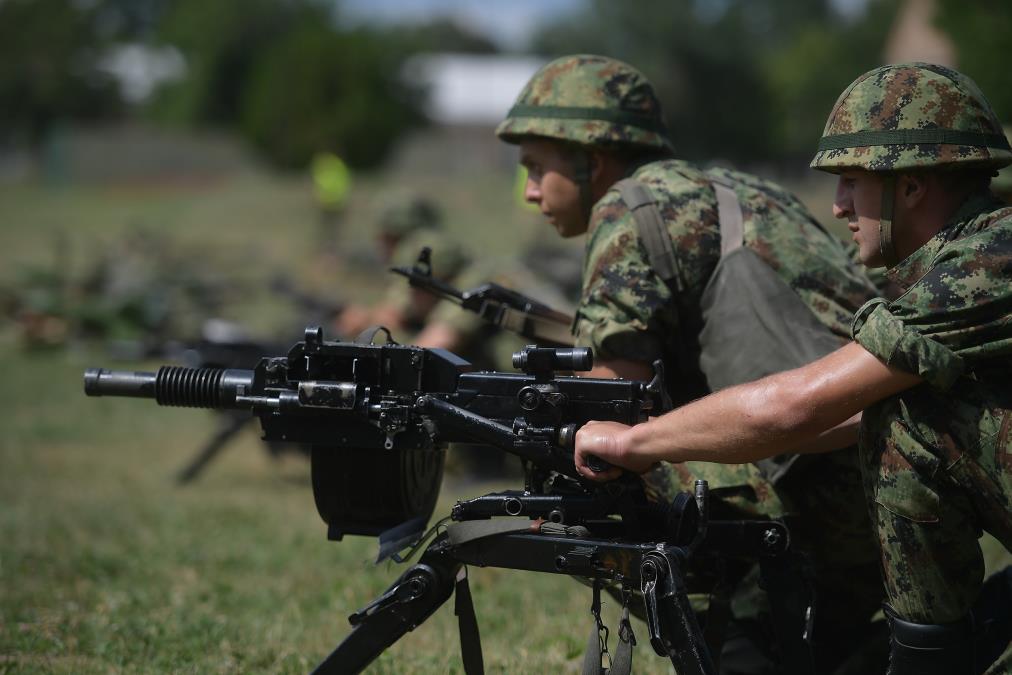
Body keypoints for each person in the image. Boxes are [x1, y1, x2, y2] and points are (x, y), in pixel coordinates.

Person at [573, 62, 1012, 675]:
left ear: (911, 186)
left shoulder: (989, 264)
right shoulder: (979, 252)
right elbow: (833, 411)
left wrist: (636, 442)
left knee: (906, 424)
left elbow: (801, 404)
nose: (836, 207)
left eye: (851, 183)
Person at [496, 54, 888, 673]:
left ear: (590, 160)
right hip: (882, 482)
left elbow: (612, 398)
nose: (531, 191)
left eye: (537, 168)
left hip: (802, 491)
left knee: (591, 462)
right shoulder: (745, 189)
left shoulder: (629, 207)